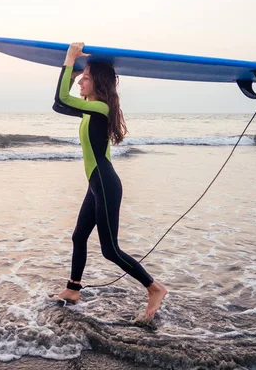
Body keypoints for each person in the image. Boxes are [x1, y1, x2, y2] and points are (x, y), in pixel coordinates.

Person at [52, 42, 167, 320]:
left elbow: (63, 98)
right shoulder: (92, 109)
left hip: (104, 182)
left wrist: (70, 60)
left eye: (86, 76)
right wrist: (75, 67)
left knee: (110, 250)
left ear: (99, 82)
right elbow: (59, 103)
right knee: (79, 236)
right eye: (81, 76)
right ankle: (73, 289)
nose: (80, 79)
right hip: (98, 183)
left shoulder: (100, 108)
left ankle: (154, 288)